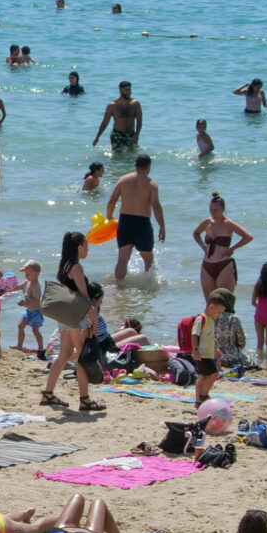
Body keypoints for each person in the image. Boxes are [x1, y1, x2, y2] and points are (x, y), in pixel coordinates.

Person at [38, 232, 105, 410]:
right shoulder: (76, 267)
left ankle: (48, 394)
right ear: (79, 247)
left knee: (64, 356)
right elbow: (85, 297)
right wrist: (94, 319)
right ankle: (85, 399)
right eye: (86, 246)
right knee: (82, 358)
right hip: (76, 317)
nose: (88, 249)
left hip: (65, 317)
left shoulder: (65, 265)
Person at [105, 155, 164, 280]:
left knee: (122, 260)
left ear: (135, 165)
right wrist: (162, 226)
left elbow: (112, 200)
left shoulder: (123, 180)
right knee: (148, 259)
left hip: (125, 222)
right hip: (142, 224)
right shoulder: (151, 184)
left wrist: (109, 217)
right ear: (149, 167)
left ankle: (119, 288)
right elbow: (156, 206)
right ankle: (148, 289)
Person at [187, 289, 233, 404]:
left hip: (208, 353)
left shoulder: (210, 320)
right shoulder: (201, 318)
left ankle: (198, 400)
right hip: (201, 354)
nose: (220, 314)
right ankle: (204, 395)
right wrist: (195, 350)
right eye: (219, 312)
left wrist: (215, 349)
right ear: (211, 307)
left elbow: (210, 337)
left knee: (203, 376)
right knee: (214, 373)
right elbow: (194, 334)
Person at [92, 81, 144, 151]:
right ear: (121, 90)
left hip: (131, 133)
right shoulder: (112, 105)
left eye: (130, 90)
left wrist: (137, 135)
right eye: (127, 90)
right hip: (117, 134)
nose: (129, 92)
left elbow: (139, 121)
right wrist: (97, 137)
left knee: (131, 155)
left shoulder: (135, 104)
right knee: (117, 155)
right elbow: (105, 122)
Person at [16, 260, 46, 357]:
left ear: (36, 274)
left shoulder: (36, 286)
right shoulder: (27, 282)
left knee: (35, 331)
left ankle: (41, 348)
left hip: (36, 312)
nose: (26, 276)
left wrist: (25, 303)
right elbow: (19, 286)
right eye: (25, 274)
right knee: (20, 326)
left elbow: (37, 301)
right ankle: (19, 345)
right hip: (28, 311)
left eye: (28, 274)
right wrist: (8, 288)